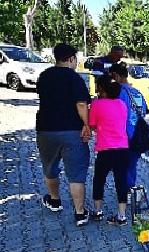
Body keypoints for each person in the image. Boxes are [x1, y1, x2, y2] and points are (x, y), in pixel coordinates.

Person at [36, 43, 91, 226]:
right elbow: (81, 104)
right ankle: (80, 213)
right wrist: (86, 125)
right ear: (71, 59)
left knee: (50, 167)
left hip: (46, 130)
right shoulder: (74, 78)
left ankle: (54, 200)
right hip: (72, 131)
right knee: (76, 173)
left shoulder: (44, 76)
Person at [88, 76, 130, 226]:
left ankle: (98, 212)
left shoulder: (96, 104)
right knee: (121, 181)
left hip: (105, 148)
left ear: (102, 89)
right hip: (123, 148)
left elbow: (92, 126)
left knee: (99, 179)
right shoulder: (122, 104)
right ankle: (122, 216)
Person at [109, 62, 147, 191]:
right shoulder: (137, 92)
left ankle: (124, 193)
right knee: (131, 165)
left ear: (117, 76)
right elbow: (143, 111)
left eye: (112, 77)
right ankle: (131, 191)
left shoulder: (116, 92)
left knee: (120, 166)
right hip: (137, 136)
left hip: (121, 136)